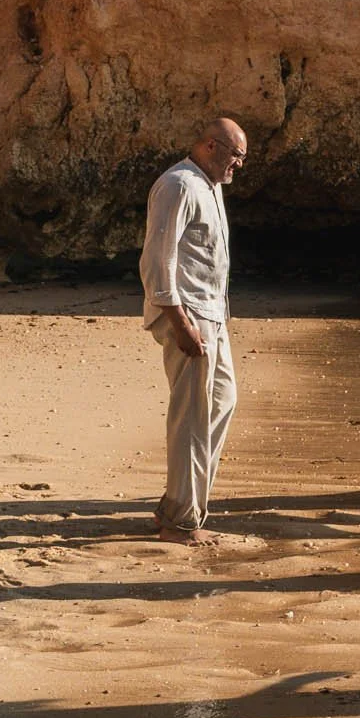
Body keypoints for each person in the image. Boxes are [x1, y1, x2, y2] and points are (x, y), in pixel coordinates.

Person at [139, 116, 248, 545]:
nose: (238, 166)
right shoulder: (179, 184)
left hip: (212, 314)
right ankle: (180, 523)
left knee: (222, 401)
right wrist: (180, 323)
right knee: (192, 416)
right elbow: (157, 259)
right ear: (208, 145)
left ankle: (179, 505)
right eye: (235, 156)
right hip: (187, 315)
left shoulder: (211, 187)